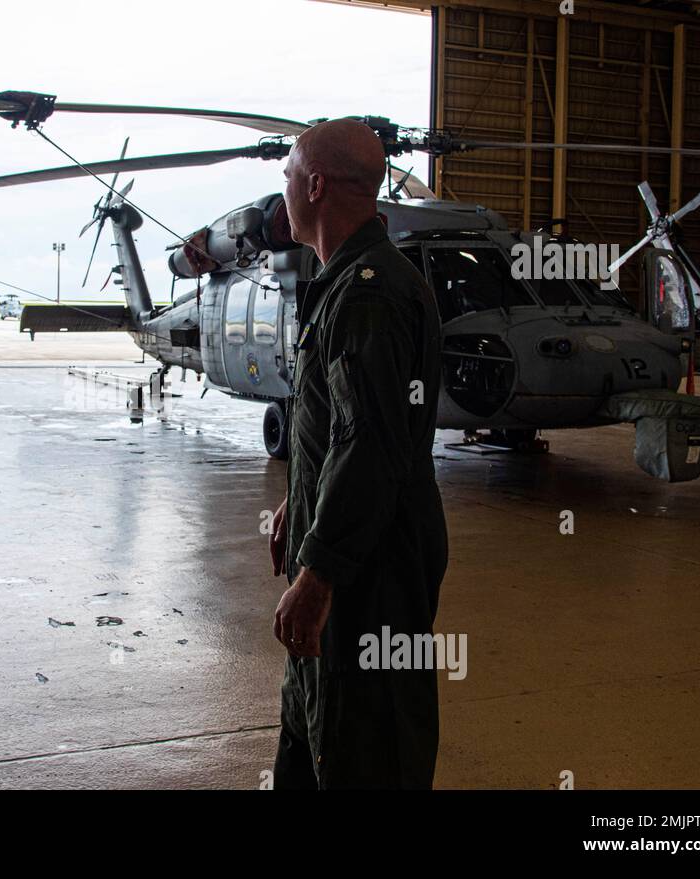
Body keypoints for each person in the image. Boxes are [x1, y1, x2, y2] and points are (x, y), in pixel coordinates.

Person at [267, 118, 448, 789]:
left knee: (366, 751)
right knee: (312, 743)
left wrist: (316, 575)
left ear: (315, 184)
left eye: (287, 173)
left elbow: (371, 444)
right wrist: (302, 493)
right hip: (349, 563)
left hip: (369, 586)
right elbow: (344, 428)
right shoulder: (346, 281)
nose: (281, 189)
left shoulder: (369, 291)